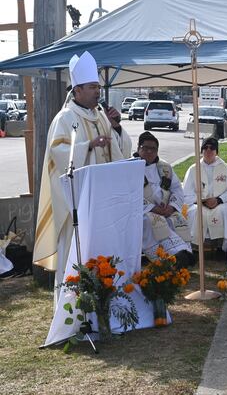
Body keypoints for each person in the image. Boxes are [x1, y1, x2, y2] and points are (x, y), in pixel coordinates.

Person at [33, 51, 128, 289]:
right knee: (77, 253)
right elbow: (58, 152)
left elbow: (119, 151)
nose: (98, 91)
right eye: (92, 87)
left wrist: (116, 128)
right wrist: (87, 147)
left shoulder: (101, 116)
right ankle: (74, 306)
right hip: (77, 203)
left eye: (98, 86)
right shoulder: (65, 118)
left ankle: (103, 301)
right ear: (77, 91)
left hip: (102, 199)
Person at [137, 132, 193, 267]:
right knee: (150, 222)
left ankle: (183, 252)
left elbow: (177, 189)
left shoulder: (165, 168)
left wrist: (172, 207)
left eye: (153, 149)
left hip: (166, 209)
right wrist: (152, 208)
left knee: (178, 219)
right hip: (144, 211)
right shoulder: (130, 168)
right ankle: (168, 257)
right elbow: (130, 194)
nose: (149, 151)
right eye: (145, 148)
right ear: (138, 148)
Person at [184, 137, 227, 245]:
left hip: (220, 203)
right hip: (198, 203)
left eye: (212, 148)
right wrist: (203, 201)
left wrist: (218, 200)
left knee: (226, 211)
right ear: (202, 150)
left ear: (216, 151)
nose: (208, 151)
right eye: (205, 148)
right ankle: (195, 246)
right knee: (195, 212)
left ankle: (222, 246)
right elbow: (187, 193)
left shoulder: (225, 168)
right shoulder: (194, 169)